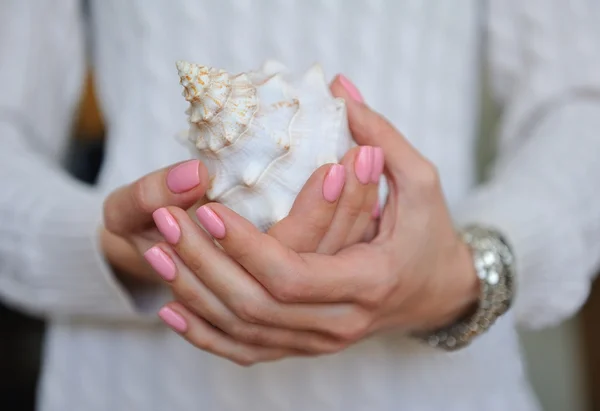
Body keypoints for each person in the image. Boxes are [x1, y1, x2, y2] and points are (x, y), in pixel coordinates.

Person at [1, 0, 599, 410]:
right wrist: (115, 247)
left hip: (434, 384)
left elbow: (583, 101)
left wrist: (464, 269)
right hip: (134, 382)